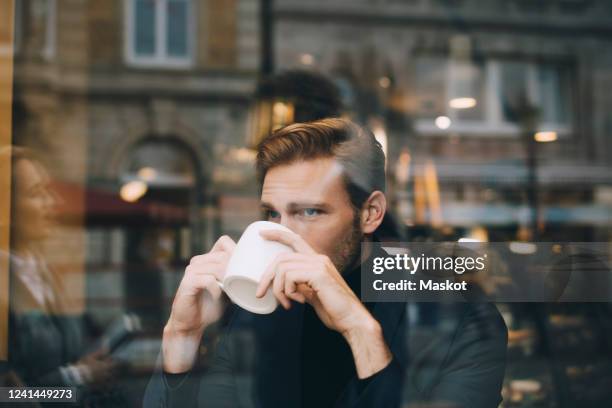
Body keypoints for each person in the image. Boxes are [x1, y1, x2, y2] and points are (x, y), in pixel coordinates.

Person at [144, 118, 507, 407]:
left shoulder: (462, 319)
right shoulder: (255, 310)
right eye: (273, 213)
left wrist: (358, 330)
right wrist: (182, 335)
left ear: (370, 213)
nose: (281, 234)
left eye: (310, 211)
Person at [0, 146, 119, 403]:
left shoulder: (45, 272)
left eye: (48, 190)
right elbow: (6, 396)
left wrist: (87, 365)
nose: (52, 202)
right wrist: (78, 377)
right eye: (36, 193)